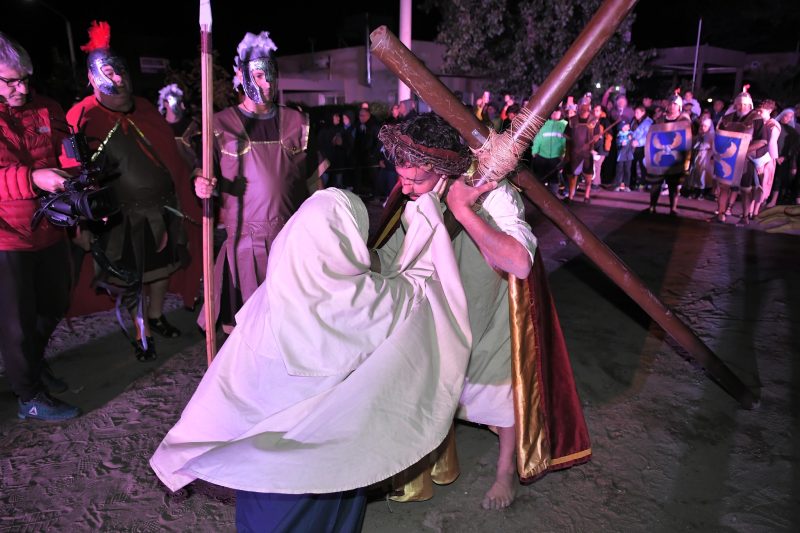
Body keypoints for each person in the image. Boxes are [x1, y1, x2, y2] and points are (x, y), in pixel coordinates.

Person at [151, 187, 472, 532]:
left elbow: (227, 383)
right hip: (321, 450)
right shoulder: (358, 298)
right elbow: (414, 287)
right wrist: (426, 220)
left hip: (260, 453)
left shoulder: (271, 291)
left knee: (265, 506)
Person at [375, 113, 537, 510]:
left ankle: (505, 471)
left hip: (487, 309)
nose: (405, 187)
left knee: (499, 393)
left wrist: (463, 210)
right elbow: (390, 256)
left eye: (415, 180)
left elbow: (520, 263)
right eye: (401, 177)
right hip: (438, 314)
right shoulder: (411, 192)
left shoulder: (492, 192)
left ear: (443, 170)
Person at [65, 21, 193, 360]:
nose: (119, 79)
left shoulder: (146, 109)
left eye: (121, 71)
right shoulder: (82, 116)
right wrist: (79, 225)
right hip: (121, 218)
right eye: (109, 73)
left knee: (162, 270)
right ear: (93, 78)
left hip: (163, 209)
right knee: (133, 278)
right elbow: (72, 175)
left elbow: (170, 155)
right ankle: (142, 332)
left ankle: (156, 315)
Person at [194, 30, 320, 333]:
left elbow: (315, 183)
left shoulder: (298, 122)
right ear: (241, 75)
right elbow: (203, 174)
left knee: (291, 322)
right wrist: (201, 184)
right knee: (246, 326)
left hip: (290, 240)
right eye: (260, 76)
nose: (267, 84)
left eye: (271, 75)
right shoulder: (219, 124)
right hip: (244, 242)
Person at [0, 32, 80, 421]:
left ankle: (31, 362)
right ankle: (29, 394)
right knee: (16, 323)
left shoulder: (47, 108)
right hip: (7, 235)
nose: (21, 88)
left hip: (49, 224)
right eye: (10, 81)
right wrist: (34, 178)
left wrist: (79, 182)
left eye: (25, 79)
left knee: (55, 303)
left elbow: (65, 155)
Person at [644, 91, 692, 215]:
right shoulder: (661, 119)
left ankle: (673, 208)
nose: (672, 106)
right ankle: (652, 206)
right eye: (670, 104)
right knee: (656, 182)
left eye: (675, 104)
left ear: (679, 106)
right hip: (660, 152)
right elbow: (653, 134)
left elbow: (687, 136)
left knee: (673, 183)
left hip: (676, 154)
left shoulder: (684, 119)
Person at [564, 102, 597, 204]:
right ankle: (570, 196)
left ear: (589, 110)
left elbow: (597, 136)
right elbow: (567, 137)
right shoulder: (572, 120)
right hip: (574, 152)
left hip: (587, 153)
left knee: (588, 175)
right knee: (572, 175)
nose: (584, 111)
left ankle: (586, 196)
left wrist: (594, 140)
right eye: (582, 108)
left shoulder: (594, 121)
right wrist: (567, 153)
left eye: (586, 109)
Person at [530, 106, 567, 196]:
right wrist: (534, 151)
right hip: (541, 156)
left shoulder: (563, 125)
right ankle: (538, 197)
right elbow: (538, 138)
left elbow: (565, 142)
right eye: (553, 112)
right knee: (540, 179)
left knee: (554, 180)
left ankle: (552, 198)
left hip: (556, 157)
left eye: (557, 112)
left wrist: (563, 155)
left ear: (561, 113)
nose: (555, 114)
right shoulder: (544, 124)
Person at [612, 119, 634, 191]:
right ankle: (617, 185)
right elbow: (617, 144)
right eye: (624, 126)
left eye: (627, 126)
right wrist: (621, 144)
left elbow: (633, 143)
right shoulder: (619, 135)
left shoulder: (631, 134)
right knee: (619, 170)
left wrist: (631, 140)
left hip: (629, 155)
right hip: (620, 156)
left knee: (627, 170)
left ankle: (627, 185)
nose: (626, 127)